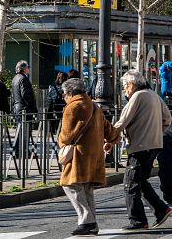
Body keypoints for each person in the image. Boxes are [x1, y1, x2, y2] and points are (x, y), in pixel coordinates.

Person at [111, 70, 172, 230]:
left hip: (139, 146)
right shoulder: (154, 95)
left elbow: (122, 121)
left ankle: (138, 221)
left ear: (131, 84)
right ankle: (161, 209)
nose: (125, 90)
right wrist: (156, 131)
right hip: (154, 145)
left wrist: (109, 138)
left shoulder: (137, 97)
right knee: (140, 181)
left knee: (130, 184)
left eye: (125, 86)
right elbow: (168, 119)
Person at [59, 78, 120, 236]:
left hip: (79, 156)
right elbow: (108, 129)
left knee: (70, 185)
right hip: (95, 155)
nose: (64, 97)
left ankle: (87, 221)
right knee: (86, 189)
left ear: (71, 93)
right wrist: (113, 139)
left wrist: (61, 142)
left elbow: (65, 136)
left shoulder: (72, 107)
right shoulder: (94, 106)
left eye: (64, 94)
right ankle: (91, 225)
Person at [11, 60, 38, 154]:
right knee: (25, 130)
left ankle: (18, 150)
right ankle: (23, 151)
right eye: (28, 67)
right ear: (24, 68)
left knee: (20, 129)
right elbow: (26, 94)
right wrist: (32, 106)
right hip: (24, 108)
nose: (29, 69)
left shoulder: (15, 78)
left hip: (18, 107)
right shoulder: (23, 79)